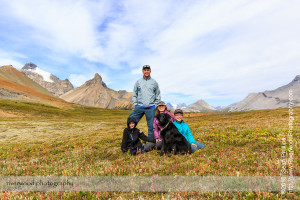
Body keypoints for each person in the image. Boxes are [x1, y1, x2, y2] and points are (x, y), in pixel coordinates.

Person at [129, 65, 161, 139]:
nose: (146, 71)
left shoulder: (154, 82)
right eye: (145, 70)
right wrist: (135, 104)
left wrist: (156, 104)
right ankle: (131, 140)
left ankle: (151, 142)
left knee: (151, 126)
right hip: (139, 106)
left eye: (148, 70)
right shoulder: (138, 82)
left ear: (150, 71)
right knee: (131, 121)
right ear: (142, 71)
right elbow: (134, 93)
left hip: (151, 108)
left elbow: (158, 94)